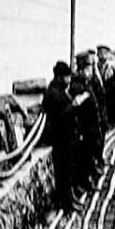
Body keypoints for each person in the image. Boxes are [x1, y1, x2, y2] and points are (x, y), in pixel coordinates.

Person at [41, 61, 78, 211]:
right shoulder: (52, 93)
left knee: (68, 171)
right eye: (67, 77)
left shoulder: (61, 91)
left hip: (67, 137)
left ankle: (70, 198)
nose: (69, 80)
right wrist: (73, 105)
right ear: (59, 77)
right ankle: (66, 203)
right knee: (63, 173)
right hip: (60, 138)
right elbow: (58, 116)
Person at [74, 51, 107, 168]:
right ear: (81, 69)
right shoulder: (77, 85)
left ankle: (91, 171)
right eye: (88, 69)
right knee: (85, 154)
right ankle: (85, 179)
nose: (90, 72)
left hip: (92, 124)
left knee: (91, 151)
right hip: (85, 127)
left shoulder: (87, 82)